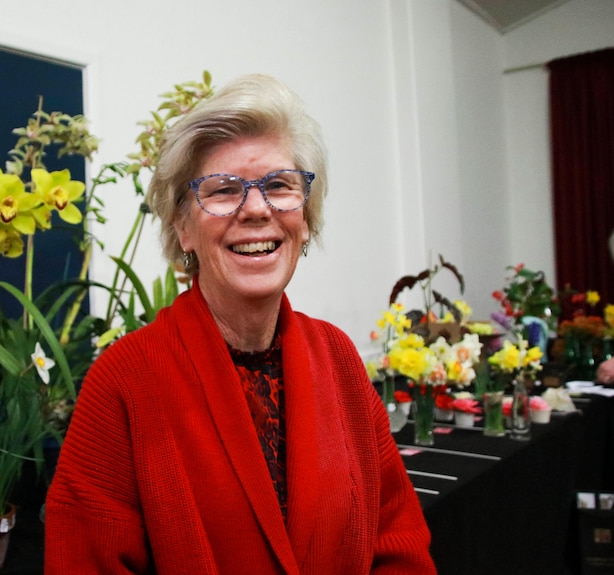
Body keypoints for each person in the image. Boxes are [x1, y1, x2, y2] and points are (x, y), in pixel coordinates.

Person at [43, 73, 435, 573]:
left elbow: (397, 543)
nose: (256, 209)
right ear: (182, 227)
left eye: (278, 185)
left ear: (306, 217)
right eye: (223, 190)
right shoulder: (123, 381)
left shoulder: (338, 358)